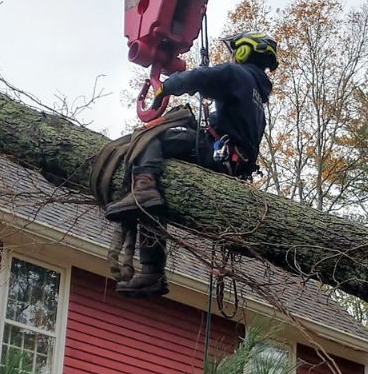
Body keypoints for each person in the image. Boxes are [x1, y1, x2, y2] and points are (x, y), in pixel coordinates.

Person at [105, 32, 278, 297]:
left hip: (212, 151)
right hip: (230, 164)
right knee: (155, 201)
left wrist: (169, 85)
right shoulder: (257, 101)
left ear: (243, 52)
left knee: (152, 134)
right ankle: (152, 271)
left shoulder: (236, 74)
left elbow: (199, 78)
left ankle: (143, 184)